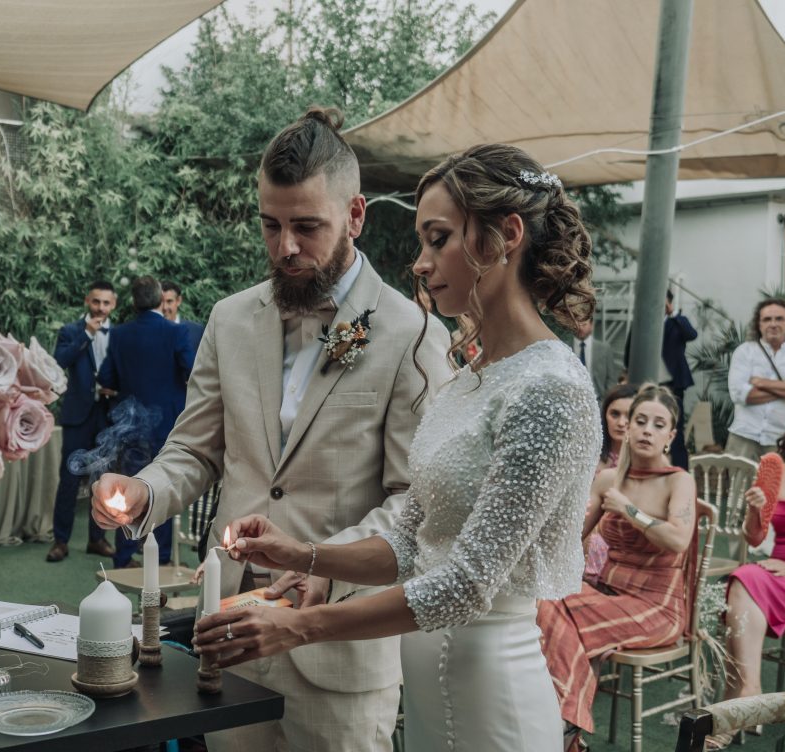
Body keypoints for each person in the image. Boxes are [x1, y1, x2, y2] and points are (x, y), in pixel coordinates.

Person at [190, 143, 601, 752]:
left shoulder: (551, 390)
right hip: (435, 695)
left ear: (505, 235)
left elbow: (465, 584)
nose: (421, 262)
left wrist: (300, 628)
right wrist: (301, 554)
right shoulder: (470, 380)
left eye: (439, 239)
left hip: (494, 698)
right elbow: (412, 539)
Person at [91, 108, 451, 752]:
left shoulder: (413, 335)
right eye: (271, 225)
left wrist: (321, 567)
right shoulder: (229, 321)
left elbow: (414, 501)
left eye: (307, 227)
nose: (286, 246)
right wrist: (145, 491)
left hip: (338, 647)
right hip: (230, 635)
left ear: (356, 216)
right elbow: (194, 450)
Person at [536, 384, 697, 750]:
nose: (646, 430)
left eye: (658, 425)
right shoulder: (609, 479)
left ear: (670, 436)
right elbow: (574, 535)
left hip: (656, 607)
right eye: (640, 420)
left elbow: (678, 540)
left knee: (553, 615)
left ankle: (563, 727)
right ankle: (565, 726)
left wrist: (629, 509)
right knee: (542, 601)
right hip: (607, 593)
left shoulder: (679, 481)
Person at [713, 397, 785, 748]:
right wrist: (754, 511)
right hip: (777, 575)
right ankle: (747, 693)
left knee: (746, 579)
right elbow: (755, 536)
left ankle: (740, 700)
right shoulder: (778, 470)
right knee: (746, 577)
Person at [98, 275, 195, 567]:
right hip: (168, 424)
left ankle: (124, 557)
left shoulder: (119, 335)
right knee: (161, 489)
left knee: (124, 491)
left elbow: (106, 378)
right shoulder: (175, 333)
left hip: (129, 426)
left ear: (132, 302)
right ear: (158, 299)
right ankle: (161, 557)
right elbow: (191, 371)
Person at [47, 281, 119, 563]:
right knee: (68, 479)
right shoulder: (70, 331)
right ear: (87, 300)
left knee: (102, 480)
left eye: (106, 303)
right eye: (96, 302)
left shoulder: (121, 335)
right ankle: (60, 541)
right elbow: (58, 363)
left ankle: (97, 539)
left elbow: (126, 370)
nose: (101, 308)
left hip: (107, 415)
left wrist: (116, 389)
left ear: (114, 305)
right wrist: (86, 335)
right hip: (77, 416)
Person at [726, 298, 785, 461]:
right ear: (759, 325)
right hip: (744, 436)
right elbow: (740, 395)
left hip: (781, 439)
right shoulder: (744, 352)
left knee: (779, 487)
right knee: (738, 487)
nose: (773, 324)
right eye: (767, 319)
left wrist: (761, 383)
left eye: (779, 319)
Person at [624, 290, 699, 467]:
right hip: (647, 386)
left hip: (672, 386)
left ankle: (679, 471)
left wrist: (672, 313)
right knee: (643, 426)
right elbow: (629, 354)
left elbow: (692, 335)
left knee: (675, 430)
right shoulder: (640, 324)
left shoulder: (677, 322)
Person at [584, 383, 639, 584]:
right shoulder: (589, 457)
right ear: (604, 415)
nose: (621, 422)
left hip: (624, 536)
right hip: (583, 528)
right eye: (614, 414)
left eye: (629, 416)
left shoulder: (642, 464)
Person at [574, 318, 617, 399]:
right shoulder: (565, 347)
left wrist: (606, 399)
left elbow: (611, 378)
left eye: (584, 324)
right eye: (577, 325)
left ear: (591, 325)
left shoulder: (604, 349)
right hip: (572, 401)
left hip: (598, 401)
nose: (580, 328)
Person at [161, 280, 205, 354]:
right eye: (161, 302)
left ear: (178, 301)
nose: (165, 307)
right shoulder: (148, 332)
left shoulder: (196, 331)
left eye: (169, 301)